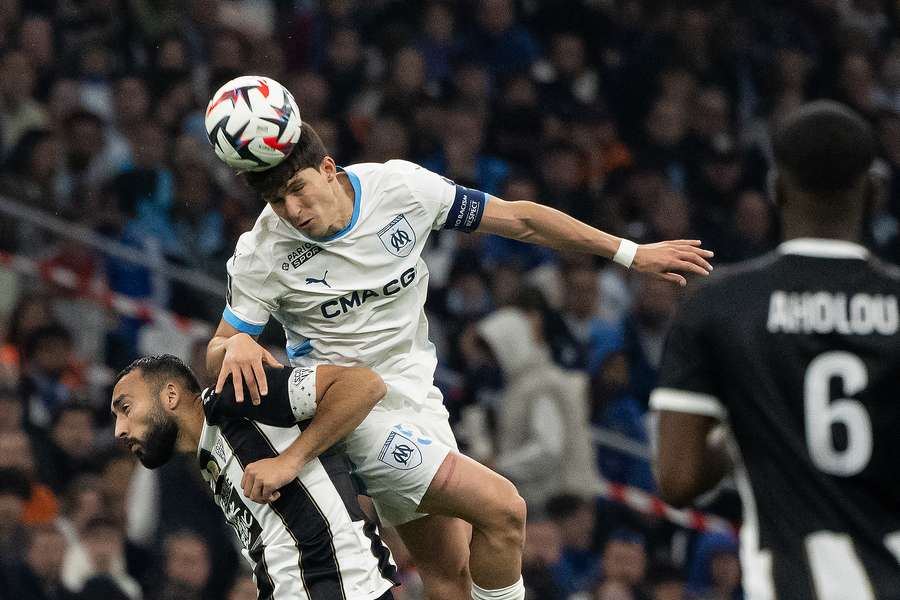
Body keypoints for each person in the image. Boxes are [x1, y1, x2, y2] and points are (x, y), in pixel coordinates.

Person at [207, 120, 714, 600]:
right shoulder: (264, 250)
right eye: (276, 199)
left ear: (328, 168)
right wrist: (239, 344)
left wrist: (631, 253)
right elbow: (217, 352)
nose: (291, 209)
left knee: (451, 576)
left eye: (297, 189)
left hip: (415, 395)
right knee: (504, 510)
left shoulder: (400, 190)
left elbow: (521, 220)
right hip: (349, 411)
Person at [651, 100, 900, 599]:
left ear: (776, 189)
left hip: (790, 583)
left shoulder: (720, 305)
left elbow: (678, 479)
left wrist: (744, 430)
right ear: (874, 193)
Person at [110, 354, 397, 600]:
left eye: (126, 409)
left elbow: (363, 386)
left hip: (341, 587)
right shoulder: (208, 458)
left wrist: (290, 460)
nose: (119, 430)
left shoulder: (237, 396)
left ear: (170, 396)